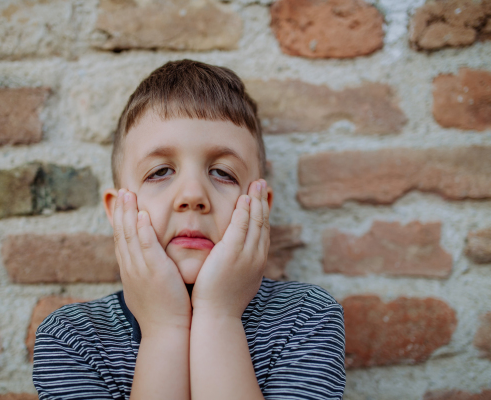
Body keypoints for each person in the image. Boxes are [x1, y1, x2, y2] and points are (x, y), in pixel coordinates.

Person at [32, 59, 345, 400]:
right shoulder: (73, 338)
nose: (193, 195)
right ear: (117, 208)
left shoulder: (306, 318)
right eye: (160, 171)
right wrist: (163, 329)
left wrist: (219, 316)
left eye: (224, 173)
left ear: (261, 207)